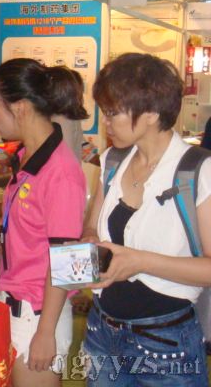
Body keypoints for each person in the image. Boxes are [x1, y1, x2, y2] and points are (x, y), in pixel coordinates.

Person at [81, 53, 211, 385]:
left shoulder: (198, 170)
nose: (105, 122)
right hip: (102, 330)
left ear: (151, 112)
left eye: (113, 112)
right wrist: (89, 248)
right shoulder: (112, 161)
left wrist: (140, 262)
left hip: (166, 342)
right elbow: (92, 227)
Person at [0, 58, 86, 387]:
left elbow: (69, 259)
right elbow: (14, 226)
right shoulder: (26, 157)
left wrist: (45, 332)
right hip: (14, 306)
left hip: (39, 316)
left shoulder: (61, 172)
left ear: (20, 107)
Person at [47, 66, 89, 162]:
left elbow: (81, 144)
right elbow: (65, 156)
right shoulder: (62, 120)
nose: (80, 96)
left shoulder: (69, 117)